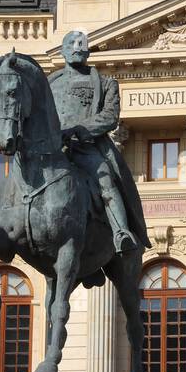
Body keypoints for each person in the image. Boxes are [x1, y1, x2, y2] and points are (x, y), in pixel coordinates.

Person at [49, 30, 149, 257]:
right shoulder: (50, 83)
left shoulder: (104, 84)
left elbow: (109, 117)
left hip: (84, 147)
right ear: (63, 51)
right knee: (16, 176)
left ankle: (120, 233)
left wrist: (79, 130)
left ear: (87, 51)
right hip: (52, 150)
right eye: (71, 44)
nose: (76, 48)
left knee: (105, 179)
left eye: (81, 44)